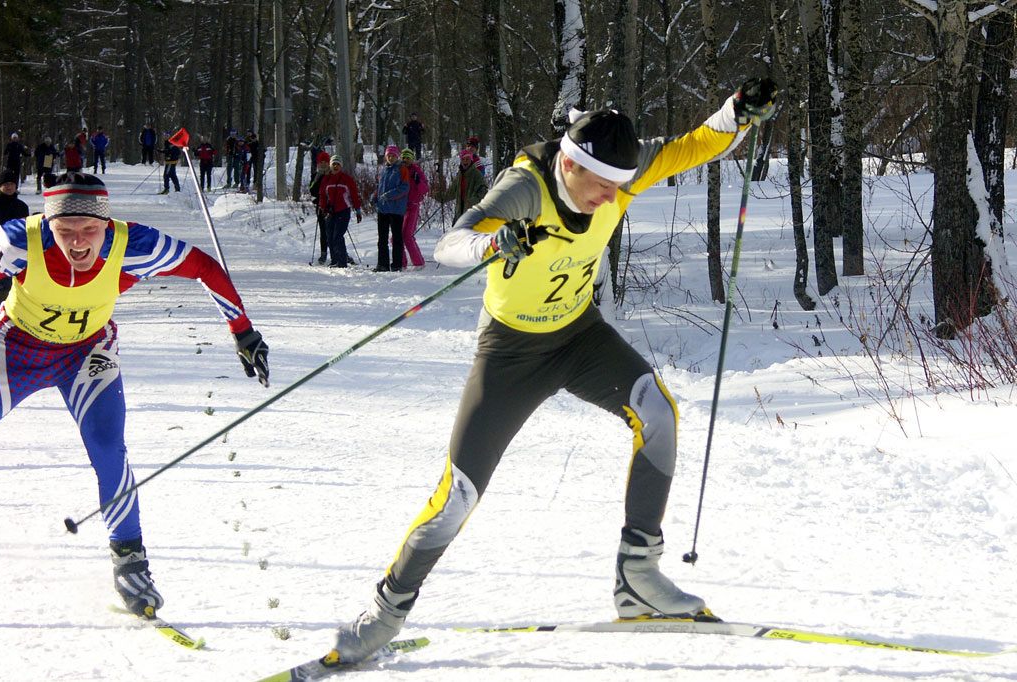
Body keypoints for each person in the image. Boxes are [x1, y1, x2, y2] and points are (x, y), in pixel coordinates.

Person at [327, 78, 778, 663]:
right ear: (571, 163)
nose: (612, 197)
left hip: (578, 335)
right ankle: (386, 612)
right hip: (510, 354)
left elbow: (694, 144)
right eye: (602, 186)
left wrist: (737, 113)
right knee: (460, 491)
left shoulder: (618, 174)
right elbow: (452, 243)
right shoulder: (526, 187)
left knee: (658, 414)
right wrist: (492, 247)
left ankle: (638, 577)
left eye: (622, 186)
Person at [0, 171, 271, 617]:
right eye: (65, 231)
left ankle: (129, 561)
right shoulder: (18, 241)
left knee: (108, 447)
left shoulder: (135, 245)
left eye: (89, 230)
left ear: (107, 223)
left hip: (87, 352)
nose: (78, 242)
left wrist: (243, 332)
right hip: (16, 346)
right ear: (49, 222)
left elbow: (203, 267)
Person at [0, 169, 29, 312]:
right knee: (1, 284)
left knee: (19, 286)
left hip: (20, 251)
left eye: (12, 184)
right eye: (5, 184)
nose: (9, 187)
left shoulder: (21, 206)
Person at [318, 154, 363, 269]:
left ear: (341, 166)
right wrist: (323, 208)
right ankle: (334, 260)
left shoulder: (347, 179)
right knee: (329, 236)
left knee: (338, 235)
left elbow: (354, 195)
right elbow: (322, 195)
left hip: (343, 210)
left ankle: (342, 261)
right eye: (334, 164)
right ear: (330, 165)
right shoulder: (326, 179)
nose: (336, 166)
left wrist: (358, 211)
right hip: (330, 211)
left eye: (338, 164)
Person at [370, 145, 410, 272]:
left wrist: (389, 195)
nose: (391, 158)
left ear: (397, 156)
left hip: (396, 209)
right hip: (383, 209)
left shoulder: (402, 169)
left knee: (397, 237)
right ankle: (382, 264)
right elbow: (380, 188)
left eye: (393, 155)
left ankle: (397, 264)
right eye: (389, 155)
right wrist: (374, 197)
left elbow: (404, 187)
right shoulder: (383, 170)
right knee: (382, 238)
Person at [436, 148, 487, 223]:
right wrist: (438, 196)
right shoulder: (460, 175)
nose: (465, 161)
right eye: (463, 159)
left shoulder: (477, 174)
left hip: (473, 215)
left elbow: (483, 192)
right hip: (459, 214)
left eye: (467, 159)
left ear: (471, 160)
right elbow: (451, 193)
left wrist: (472, 202)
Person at [399, 148, 428, 269]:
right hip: (399, 206)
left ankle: (418, 262)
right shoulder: (398, 170)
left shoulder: (417, 172)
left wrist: (418, 181)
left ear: (412, 160)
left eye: (408, 158)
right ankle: (401, 263)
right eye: (403, 158)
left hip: (412, 205)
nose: (405, 160)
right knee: (396, 236)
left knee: (407, 234)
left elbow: (425, 190)